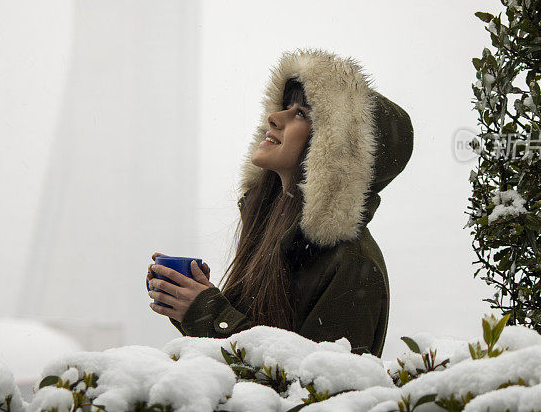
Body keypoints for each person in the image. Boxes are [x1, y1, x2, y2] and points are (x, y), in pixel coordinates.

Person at [146, 48, 413, 356]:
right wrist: (195, 304)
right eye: (286, 106)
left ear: (336, 151)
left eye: (301, 113)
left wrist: (209, 313)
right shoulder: (273, 235)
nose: (274, 117)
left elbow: (315, 392)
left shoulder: (353, 263)